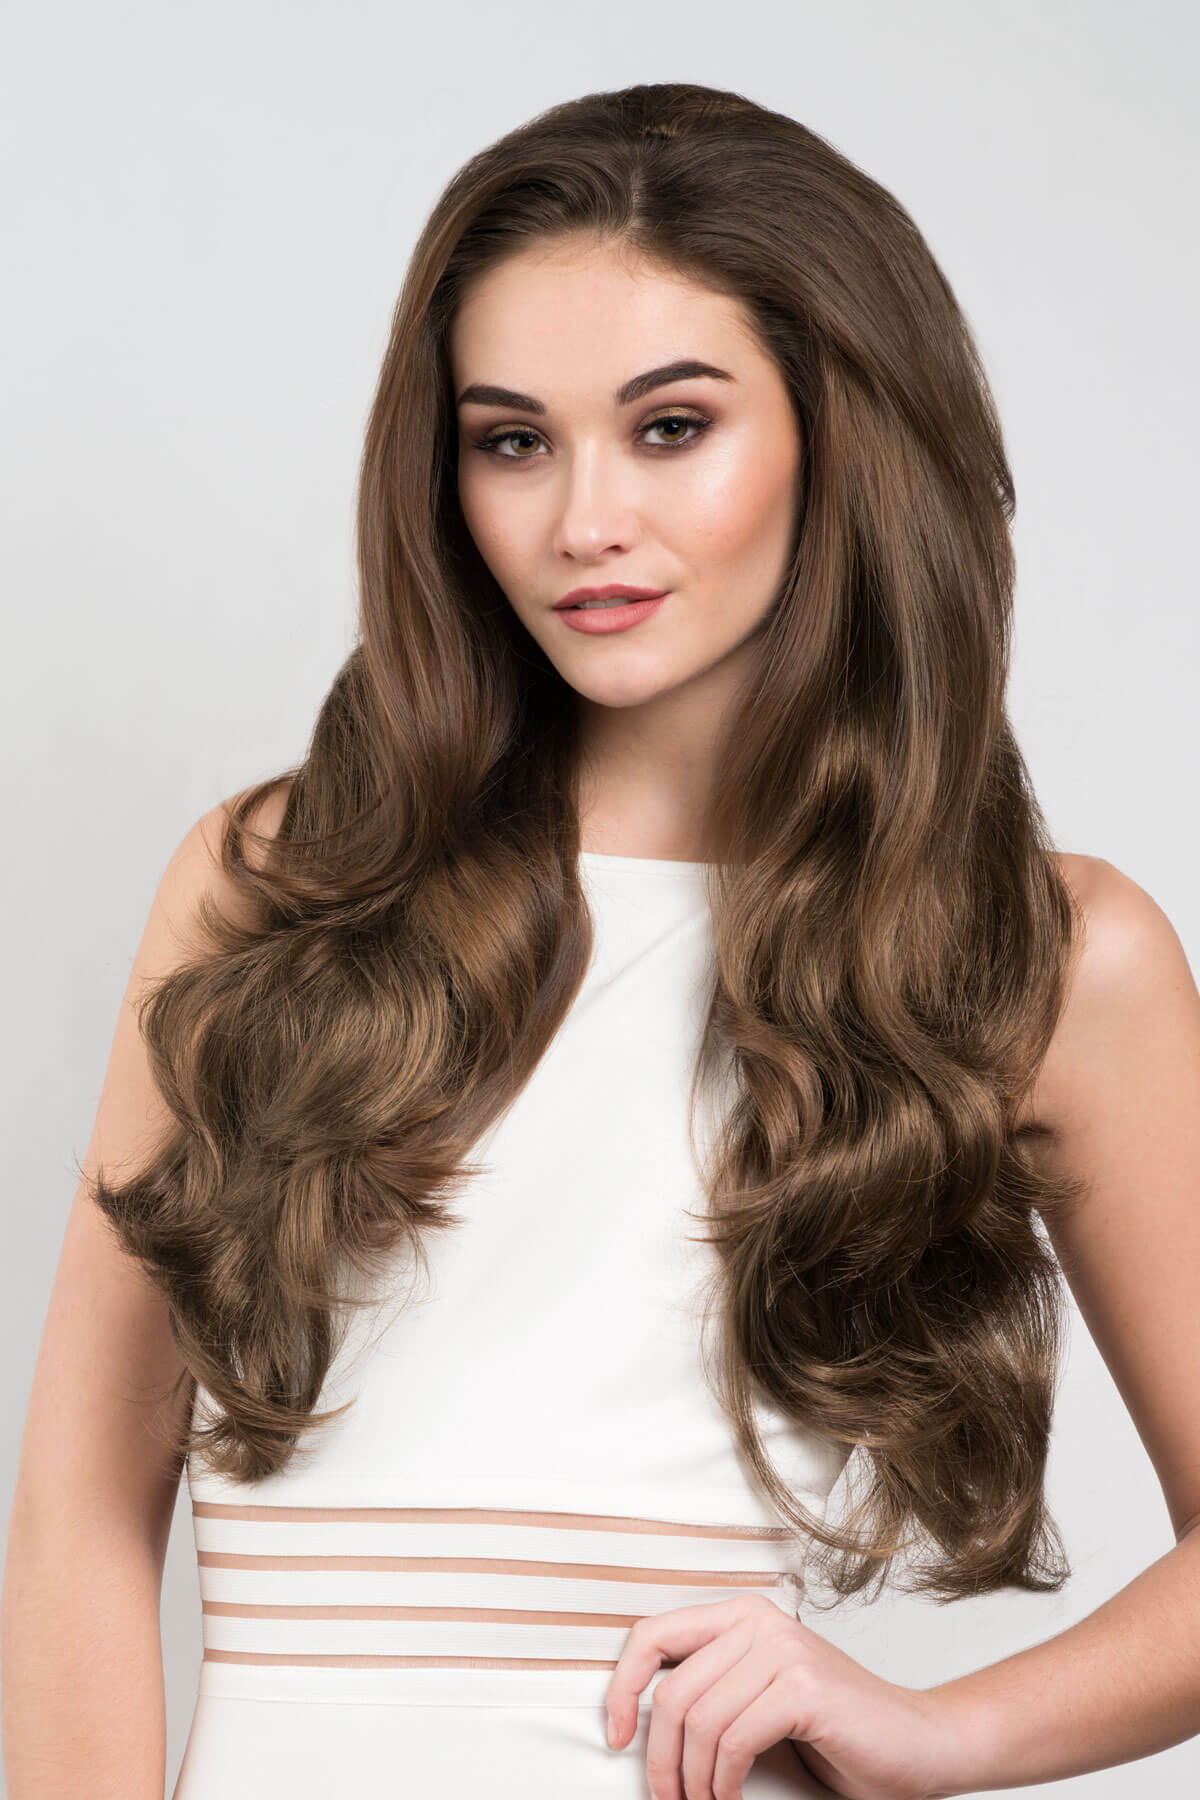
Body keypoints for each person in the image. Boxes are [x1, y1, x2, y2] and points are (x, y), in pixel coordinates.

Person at [6, 80, 1200, 1800]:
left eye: (669, 428)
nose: (581, 524)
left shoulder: (1040, 957)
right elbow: (78, 1520)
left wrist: (945, 1735)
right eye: (511, 440)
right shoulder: (275, 884)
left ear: (836, 438)